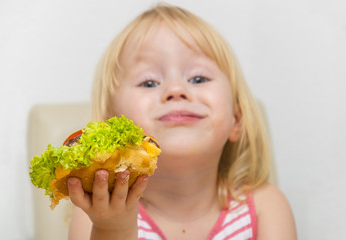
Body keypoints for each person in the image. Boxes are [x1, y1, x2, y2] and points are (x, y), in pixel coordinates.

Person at [67, 4, 297, 240]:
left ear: (236, 120)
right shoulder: (96, 215)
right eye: (149, 83)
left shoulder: (264, 208)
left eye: (198, 78)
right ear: (111, 128)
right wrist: (113, 229)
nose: (176, 90)